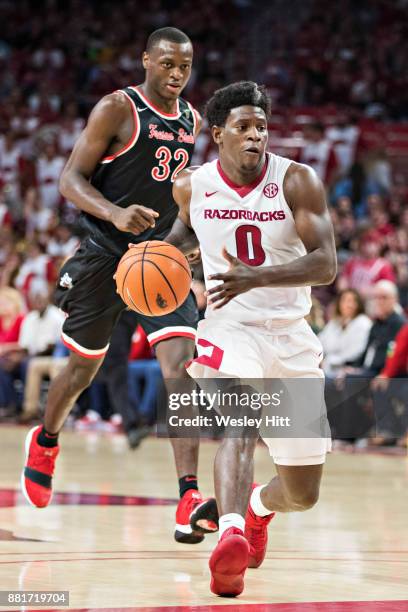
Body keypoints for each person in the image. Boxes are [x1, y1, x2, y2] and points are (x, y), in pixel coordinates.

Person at [21, 27, 217, 544]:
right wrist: (114, 212)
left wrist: (187, 236)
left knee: (182, 364)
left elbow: (179, 195)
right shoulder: (117, 108)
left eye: (186, 66)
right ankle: (45, 439)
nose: (177, 75)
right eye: (169, 64)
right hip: (106, 256)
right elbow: (70, 179)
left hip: (158, 262)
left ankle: (188, 496)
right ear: (146, 60)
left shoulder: (192, 120)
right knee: (83, 368)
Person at [166, 81, 337, 596]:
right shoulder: (190, 186)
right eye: (242, 127)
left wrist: (257, 277)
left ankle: (259, 509)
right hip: (228, 326)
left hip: (290, 333)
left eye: (261, 127)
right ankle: (231, 537)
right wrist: (155, 259)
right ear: (217, 134)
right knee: (238, 423)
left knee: (303, 493)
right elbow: (183, 235)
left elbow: (327, 264)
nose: (255, 136)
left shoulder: (297, 181)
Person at [319, 289, 372, 376]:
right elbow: (320, 342)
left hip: (348, 369)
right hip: (326, 367)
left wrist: (329, 360)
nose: (349, 305)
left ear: (358, 304)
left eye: (353, 301)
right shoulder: (334, 322)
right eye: (345, 300)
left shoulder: (363, 323)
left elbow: (356, 353)